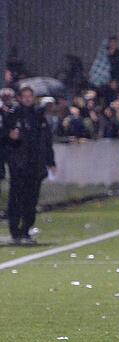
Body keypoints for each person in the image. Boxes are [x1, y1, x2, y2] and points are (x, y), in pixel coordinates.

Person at [5, 87, 56, 244]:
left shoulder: (39, 116)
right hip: (18, 163)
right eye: (25, 96)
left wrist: (50, 161)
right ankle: (15, 230)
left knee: (31, 199)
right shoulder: (13, 114)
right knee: (16, 198)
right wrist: (10, 137)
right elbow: (5, 137)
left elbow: (46, 140)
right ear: (20, 98)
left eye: (30, 96)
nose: (27, 99)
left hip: (35, 163)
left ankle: (26, 229)